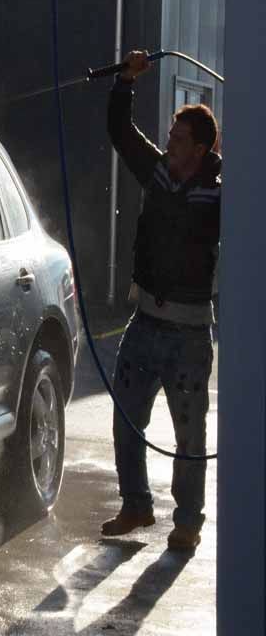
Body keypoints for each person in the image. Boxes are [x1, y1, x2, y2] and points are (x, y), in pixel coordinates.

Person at [100, 49, 221, 553]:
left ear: (201, 148)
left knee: (190, 437)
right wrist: (126, 81)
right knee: (126, 419)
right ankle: (136, 504)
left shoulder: (222, 194)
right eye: (169, 135)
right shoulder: (158, 173)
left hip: (190, 335)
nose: (168, 142)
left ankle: (188, 522)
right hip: (144, 324)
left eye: (178, 138)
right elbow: (121, 132)